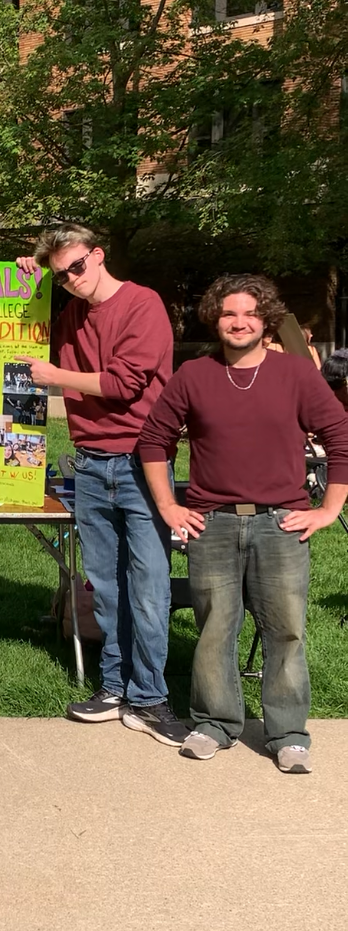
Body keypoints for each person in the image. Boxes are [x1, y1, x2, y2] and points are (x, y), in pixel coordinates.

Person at [137, 274, 348, 773]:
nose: (238, 322)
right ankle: (214, 723)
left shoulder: (296, 373)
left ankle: (288, 733)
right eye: (229, 313)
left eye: (250, 313)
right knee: (215, 629)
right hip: (213, 524)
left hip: (282, 525)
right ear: (215, 317)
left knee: (286, 631)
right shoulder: (194, 375)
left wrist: (329, 509)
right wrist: (168, 506)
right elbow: (153, 440)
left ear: (266, 319)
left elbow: (340, 437)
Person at [17, 222, 182, 746]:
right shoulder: (68, 314)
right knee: (106, 587)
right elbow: (31, 332)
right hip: (89, 464)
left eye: (76, 268)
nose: (71, 280)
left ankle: (150, 697)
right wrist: (30, 285)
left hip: (142, 463)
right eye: (61, 277)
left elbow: (124, 384)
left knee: (149, 585)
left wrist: (56, 378)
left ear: (98, 255)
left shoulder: (143, 304)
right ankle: (116, 688)